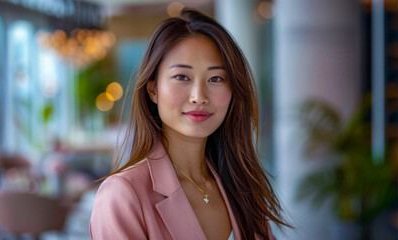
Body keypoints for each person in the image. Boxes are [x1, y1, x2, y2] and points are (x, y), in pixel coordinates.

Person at [90, 8, 290, 240]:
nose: (199, 96)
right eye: (182, 77)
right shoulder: (122, 195)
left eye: (216, 79)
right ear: (153, 89)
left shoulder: (241, 186)